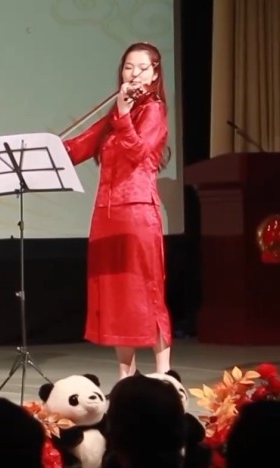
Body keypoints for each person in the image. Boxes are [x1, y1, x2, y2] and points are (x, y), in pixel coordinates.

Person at [63, 42, 172, 379]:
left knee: (146, 293)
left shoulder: (153, 110)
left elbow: (138, 152)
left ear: (154, 74)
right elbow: (82, 145)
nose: (134, 73)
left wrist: (123, 117)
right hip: (107, 216)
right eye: (128, 67)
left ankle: (164, 375)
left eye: (142, 68)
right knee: (118, 298)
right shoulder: (118, 112)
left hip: (137, 214)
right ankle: (126, 377)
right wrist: (44, 151)